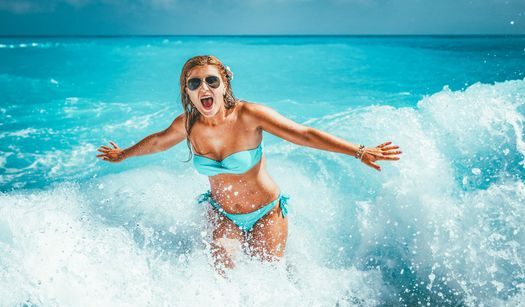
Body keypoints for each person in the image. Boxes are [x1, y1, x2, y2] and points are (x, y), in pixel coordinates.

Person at [96, 55, 402, 274]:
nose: (204, 87)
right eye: (195, 83)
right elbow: (159, 141)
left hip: (266, 213)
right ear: (187, 91)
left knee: (268, 282)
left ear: (225, 84)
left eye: (211, 80)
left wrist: (359, 151)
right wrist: (124, 154)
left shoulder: (250, 116)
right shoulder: (188, 124)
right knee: (222, 280)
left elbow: (303, 134)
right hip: (222, 212)